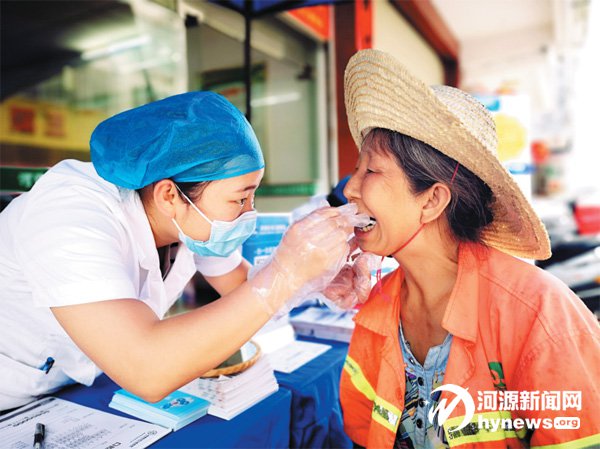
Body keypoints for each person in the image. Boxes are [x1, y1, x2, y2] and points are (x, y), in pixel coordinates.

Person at [0, 91, 355, 411]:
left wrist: (315, 281)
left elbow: (241, 285)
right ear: (169, 195)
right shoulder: (70, 216)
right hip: (13, 392)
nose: (250, 213)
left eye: (253, 195)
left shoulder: (190, 216)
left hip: (79, 381)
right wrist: (284, 274)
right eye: (240, 199)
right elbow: (147, 369)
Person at [336, 50, 600, 449]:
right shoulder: (377, 307)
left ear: (432, 200)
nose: (350, 189)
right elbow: (362, 431)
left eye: (370, 170)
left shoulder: (540, 313)